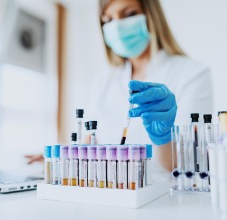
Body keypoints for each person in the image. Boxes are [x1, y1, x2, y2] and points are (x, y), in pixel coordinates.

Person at [27, 0, 214, 172]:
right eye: (108, 19)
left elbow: (184, 164)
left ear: (152, 15)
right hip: (106, 189)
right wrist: (58, 158)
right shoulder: (103, 80)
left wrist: (164, 138)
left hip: (161, 197)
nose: (117, 26)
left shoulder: (192, 74)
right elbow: (89, 142)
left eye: (129, 14)